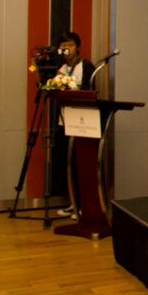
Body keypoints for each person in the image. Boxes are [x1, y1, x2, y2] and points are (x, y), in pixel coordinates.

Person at [52, 32, 94, 216]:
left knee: (81, 165)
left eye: (70, 45)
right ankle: (73, 203)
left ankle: (85, 206)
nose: (66, 49)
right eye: (63, 46)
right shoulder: (61, 67)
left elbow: (88, 90)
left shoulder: (86, 66)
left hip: (83, 121)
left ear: (77, 47)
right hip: (64, 121)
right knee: (66, 164)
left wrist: (65, 82)